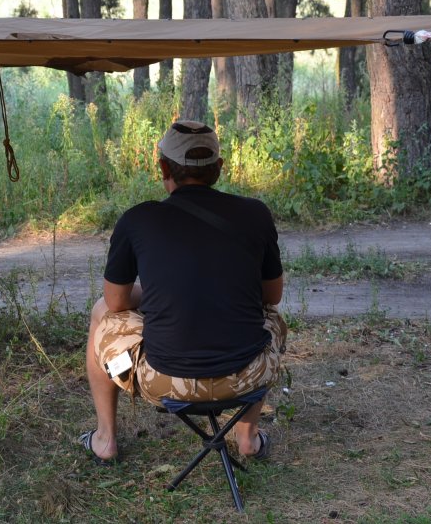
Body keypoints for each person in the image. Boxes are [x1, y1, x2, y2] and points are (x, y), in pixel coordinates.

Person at [81, 120, 287, 464]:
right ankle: (248, 438)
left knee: (101, 311)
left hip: (161, 381)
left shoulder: (137, 220)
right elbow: (272, 295)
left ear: (163, 168)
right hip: (247, 377)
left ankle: (105, 439)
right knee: (272, 318)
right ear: (219, 167)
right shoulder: (256, 214)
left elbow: (116, 301)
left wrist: (156, 295)